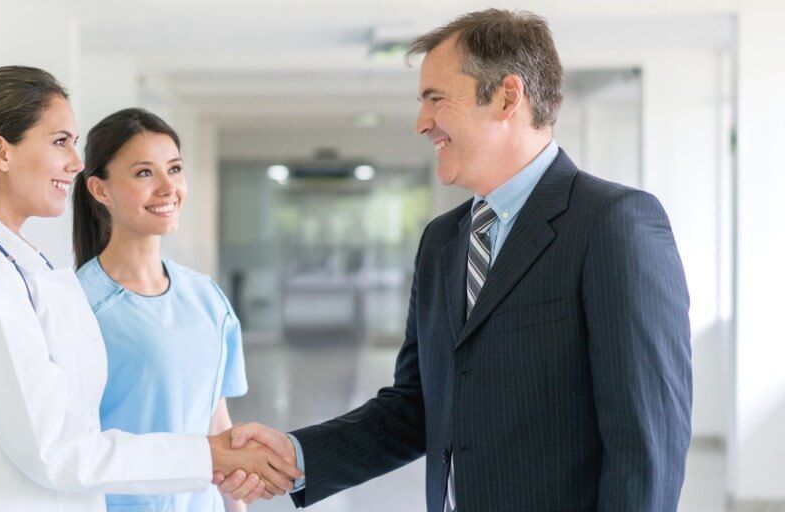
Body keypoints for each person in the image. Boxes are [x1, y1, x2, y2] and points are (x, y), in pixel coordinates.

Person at [216, 9, 692, 512]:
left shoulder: (613, 223)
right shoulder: (442, 242)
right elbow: (417, 407)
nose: (422, 123)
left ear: (508, 96)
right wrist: (296, 455)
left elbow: (647, 446)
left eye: (435, 99)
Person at [0, 66, 300, 512]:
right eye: (60, 141)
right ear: (0, 153)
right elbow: (57, 450)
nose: (76, 160)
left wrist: (215, 459)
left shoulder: (13, 264)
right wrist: (210, 455)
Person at [70, 108, 253, 512]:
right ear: (100, 190)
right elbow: (67, 446)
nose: (168, 187)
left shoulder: (207, 298)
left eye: (174, 169)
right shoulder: (76, 305)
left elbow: (216, 424)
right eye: (144, 173)